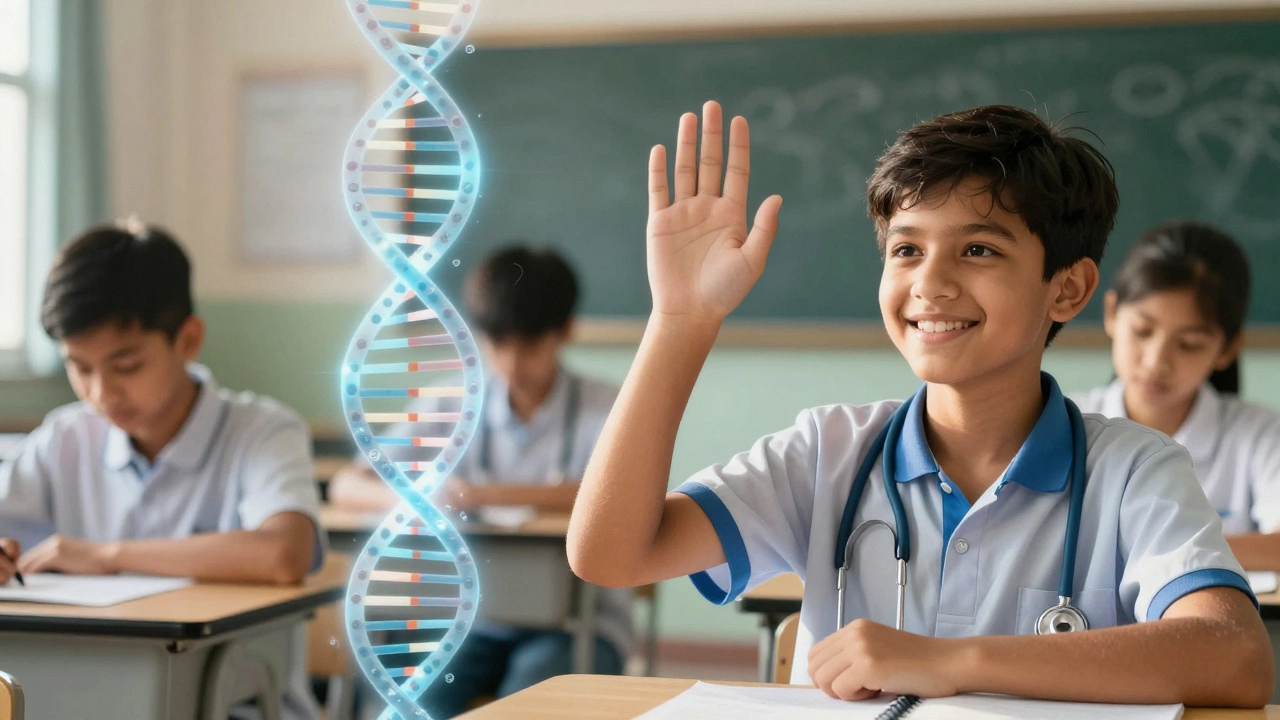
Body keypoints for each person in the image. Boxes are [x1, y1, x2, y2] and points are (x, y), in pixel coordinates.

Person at [567, 101, 1272, 706]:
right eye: (906, 250)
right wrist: (681, 321)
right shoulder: (828, 452)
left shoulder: (1133, 469)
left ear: (1068, 288)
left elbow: (1237, 657)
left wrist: (951, 662)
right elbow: (609, 555)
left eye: (979, 251)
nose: (930, 284)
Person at [0, 221, 325, 720]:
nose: (101, 393)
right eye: (80, 368)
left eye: (127, 366)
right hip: (92, 702)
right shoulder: (64, 438)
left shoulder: (262, 432)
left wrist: (106, 556)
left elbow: (283, 553)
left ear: (188, 339)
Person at [329, 245, 631, 717]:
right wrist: (418, 497)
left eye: (529, 345)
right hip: (466, 622)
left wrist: (479, 495)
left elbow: (622, 497)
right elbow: (346, 486)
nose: (512, 363)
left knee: (530, 700)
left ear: (565, 331)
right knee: (416, 700)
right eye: (498, 343)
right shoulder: (449, 403)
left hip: (578, 627)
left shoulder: (609, 408)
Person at [1073, 221, 1280, 570]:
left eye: (1189, 344)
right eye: (1142, 331)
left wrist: (1158, 548)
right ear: (1111, 314)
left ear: (1227, 348)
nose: (1156, 362)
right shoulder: (1063, 421)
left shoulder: (1260, 434)